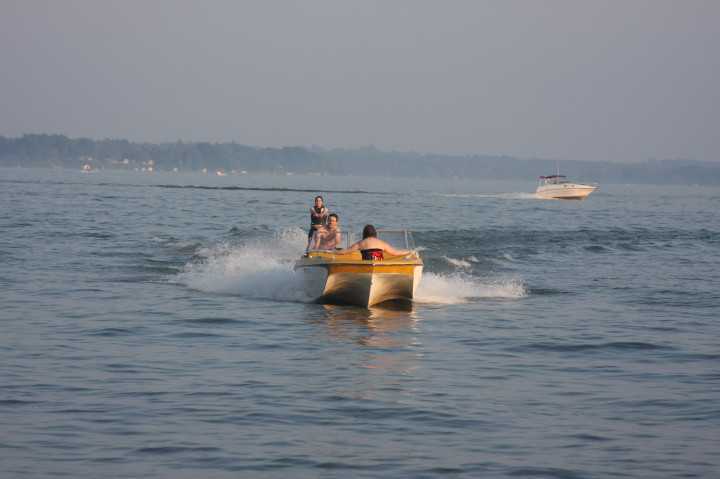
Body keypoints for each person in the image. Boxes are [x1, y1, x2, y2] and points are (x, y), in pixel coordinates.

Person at [331, 224, 413, 260]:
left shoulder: (361, 243)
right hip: (379, 266)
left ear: (364, 233)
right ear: (374, 232)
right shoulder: (381, 243)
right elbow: (395, 253)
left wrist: (332, 251)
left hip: (366, 267)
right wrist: (409, 252)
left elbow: (345, 252)